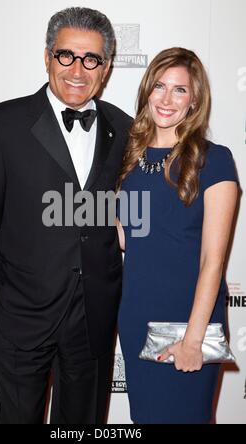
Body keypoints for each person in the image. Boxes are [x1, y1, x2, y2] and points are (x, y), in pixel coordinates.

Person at [0, 7, 132, 424]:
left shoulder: (124, 128)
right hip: (19, 315)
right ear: (47, 57)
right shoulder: (1, 124)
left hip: (92, 317)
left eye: (91, 59)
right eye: (66, 55)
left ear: (105, 67)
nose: (78, 70)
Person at [116, 47, 239, 424]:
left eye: (180, 90)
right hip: (137, 314)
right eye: (159, 86)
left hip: (189, 319)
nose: (167, 99)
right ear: (146, 91)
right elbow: (128, 237)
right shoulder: (127, 158)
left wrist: (193, 339)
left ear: (195, 99)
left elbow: (212, 260)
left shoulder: (214, 159)